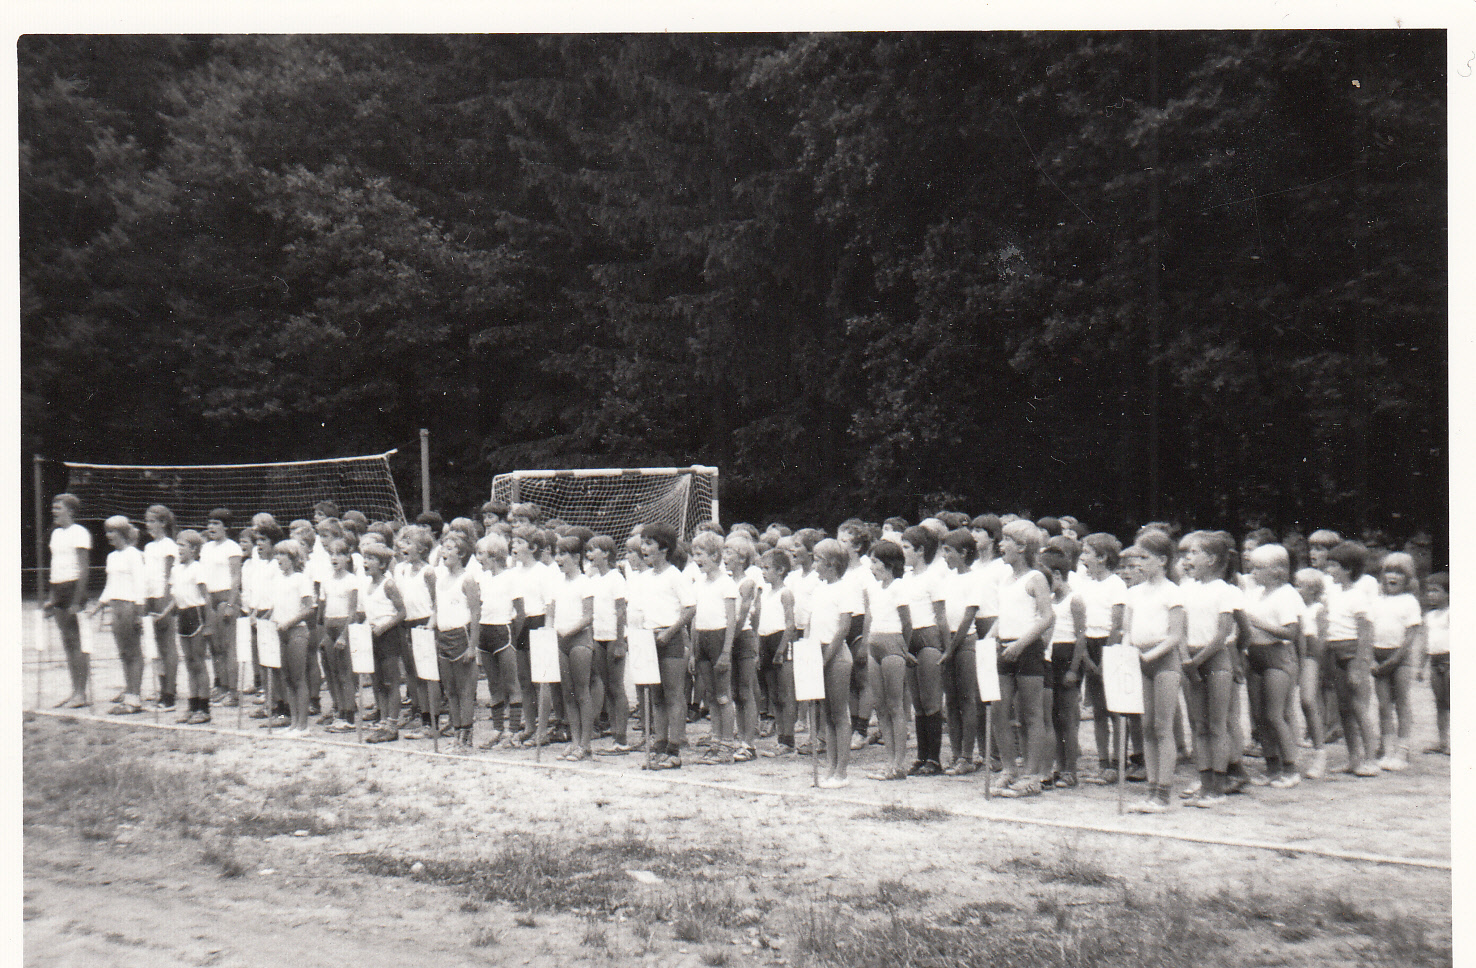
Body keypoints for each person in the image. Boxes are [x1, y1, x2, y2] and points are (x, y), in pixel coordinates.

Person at [1121, 533, 1187, 812]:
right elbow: (1127, 631)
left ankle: (1163, 793)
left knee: (1162, 727)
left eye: (1144, 558)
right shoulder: (1134, 593)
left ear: (1162, 560)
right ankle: (1151, 789)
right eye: (1137, 557)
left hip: (1164, 661)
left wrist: (1148, 655)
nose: (1138, 563)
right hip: (1140, 660)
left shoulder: (1172, 591)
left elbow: (1175, 635)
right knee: (1146, 727)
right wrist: (1128, 652)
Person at [1176, 531, 1241, 805]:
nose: (1187, 559)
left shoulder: (1224, 590)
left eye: (1194, 553)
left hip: (1214, 660)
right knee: (1199, 725)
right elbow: (1179, 629)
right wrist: (1185, 659)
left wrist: (1197, 661)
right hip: (1190, 660)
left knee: (1217, 725)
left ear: (1212, 559)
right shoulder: (1184, 589)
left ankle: (1217, 787)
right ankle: (1204, 783)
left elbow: (1222, 633)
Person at [992, 521, 1055, 798]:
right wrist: (991, 638)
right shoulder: (1005, 579)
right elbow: (1003, 616)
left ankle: (1032, 776)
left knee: (1031, 714)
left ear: (1021, 547)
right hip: (1004, 649)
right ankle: (1009, 769)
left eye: (1006, 539)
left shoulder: (1036, 577)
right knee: (999, 712)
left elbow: (1047, 617)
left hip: (1028, 650)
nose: (1000, 544)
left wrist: (1020, 644)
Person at [1239, 543, 1305, 788]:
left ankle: (1291, 768)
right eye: (1252, 567)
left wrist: (1258, 623)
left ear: (1277, 570)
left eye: (1258, 568)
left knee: (1275, 715)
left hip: (1278, 656)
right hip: (1255, 655)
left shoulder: (1287, 594)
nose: (1253, 572)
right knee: (1259, 716)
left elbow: (1291, 632)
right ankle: (1272, 767)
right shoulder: (1256, 593)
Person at [639, 523, 696, 770]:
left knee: (673, 694)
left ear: (664, 548)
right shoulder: (643, 578)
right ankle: (659, 746)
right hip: (648, 638)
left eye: (649, 543)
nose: (644, 548)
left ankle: (674, 750)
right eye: (643, 543)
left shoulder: (675, 576)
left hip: (670, 639)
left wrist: (670, 632)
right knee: (656, 696)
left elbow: (690, 608)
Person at [1322, 542, 1381, 776]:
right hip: (1335, 653)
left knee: (1359, 707)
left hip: (1352, 655)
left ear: (1348, 569)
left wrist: (1358, 665)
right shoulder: (1334, 594)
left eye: (1334, 566)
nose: (1329, 570)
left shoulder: (1358, 596)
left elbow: (1366, 633)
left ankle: (1371, 759)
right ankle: (1354, 758)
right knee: (1344, 709)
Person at [1075, 533, 1128, 784]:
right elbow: (1080, 623)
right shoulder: (1084, 585)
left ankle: (1118, 763)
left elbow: (1117, 625)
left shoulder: (1116, 584)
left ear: (1102, 557)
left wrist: (1107, 658)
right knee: (1098, 711)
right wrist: (1085, 656)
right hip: (1089, 645)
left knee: (1115, 710)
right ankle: (1102, 761)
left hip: (1110, 645)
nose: (1082, 557)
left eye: (1087, 552)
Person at [899, 525, 949, 776]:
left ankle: (934, 759)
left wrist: (947, 648)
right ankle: (921, 756)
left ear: (920, 550)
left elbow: (941, 616)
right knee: (917, 703)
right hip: (909, 639)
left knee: (931, 701)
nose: (903, 552)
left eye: (907, 547)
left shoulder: (932, 578)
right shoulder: (904, 579)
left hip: (928, 637)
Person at [809, 538, 860, 788]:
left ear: (831, 563)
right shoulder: (818, 589)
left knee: (839, 714)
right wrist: (809, 653)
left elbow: (843, 628)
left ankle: (842, 772)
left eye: (817, 560)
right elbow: (811, 624)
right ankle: (830, 767)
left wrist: (825, 657)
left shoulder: (845, 588)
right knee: (827, 715)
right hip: (817, 652)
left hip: (836, 654)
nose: (814, 564)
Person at [1368, 552, 1422, 771]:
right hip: (1378, 657)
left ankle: (1402, 750)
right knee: (1383, 705)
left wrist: (1395, 660)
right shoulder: (1376, 601)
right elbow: (1368, 631)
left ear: (1408, 578)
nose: (1393, 576)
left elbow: (1411, 635)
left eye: (1399, 573)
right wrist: (1371, 659)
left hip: (1400, 658)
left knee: (1401, 702)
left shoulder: (1410, 601)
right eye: (1389, 571)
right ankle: (1387, 749)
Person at [689, 531, 739, 763]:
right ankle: (715, 742)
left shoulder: (726, 583)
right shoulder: (699, 583)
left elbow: (731, 621)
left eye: (700, 554)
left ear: (714, 555)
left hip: (719, 638)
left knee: (722, 696)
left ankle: (727, 745)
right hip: (702, 638)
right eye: (694, 554)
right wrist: (693, 651)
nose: (696, 559)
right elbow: (695, 619)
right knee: (710, 695)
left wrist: (726, 652)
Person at [864, 540, 912, 780]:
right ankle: (889, 760)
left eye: (875, 562)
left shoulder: (899, 587)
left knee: (895, 705)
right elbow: (870, 618)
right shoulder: (873, 589)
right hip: (874, 645)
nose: (871, 567)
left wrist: (904, 648)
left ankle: (899, 764)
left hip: (893, 644)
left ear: (888, 563)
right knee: (881, 706)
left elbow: (907, 622)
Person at [547, 534, 597, 760]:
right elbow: (550, 612)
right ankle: (574, 741)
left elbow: (588, 616)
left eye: (563, 554)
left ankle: (585, 744)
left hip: (579, 641)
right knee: (567, 693)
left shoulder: (585, 582)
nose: (558, 559)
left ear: (576, 557)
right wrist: (549, 631)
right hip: (560, 641)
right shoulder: (556, 582)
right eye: (557, 554)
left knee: (582, 692)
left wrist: (568, 631)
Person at [92, 516, 147, 714]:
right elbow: (110, 586)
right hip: (115, 608)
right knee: (124, 653)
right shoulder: (112, 557)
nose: (108, 535)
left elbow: (140, 584)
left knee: (133, 652)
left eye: (112, 531)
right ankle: (129, 692)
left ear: (123, 533)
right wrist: (98, 606)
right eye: (107, 531)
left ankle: (134, 699)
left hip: (129, 607)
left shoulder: (134, 555)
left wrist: (139, 613)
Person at [1040, 548, 1085, 789]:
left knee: (1067, 717)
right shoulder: (1048, 600)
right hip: (1051, 657)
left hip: (1068, 657)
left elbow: (1081, 637)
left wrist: (1074, 670)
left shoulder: (1074, 599)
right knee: (1054, 717)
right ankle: (1059, 765)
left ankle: (1071, 770)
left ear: (1056, 575)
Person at [938, 529, 982, 775]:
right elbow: (942, 615)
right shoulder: (947, 579)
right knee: (951, 700)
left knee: (967, 698)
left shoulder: (975, 579)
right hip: (948, 642)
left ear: (964, 553)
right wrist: (946, 645)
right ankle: (956, 754)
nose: (944, 556)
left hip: (965, 642)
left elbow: (968, 617)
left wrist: (952, 647)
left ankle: (967, 756)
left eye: (948, 551)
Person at [432, 531, 482, 751]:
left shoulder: (467, 579)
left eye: (450, 548)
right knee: (450, 690)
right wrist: (430, 628)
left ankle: (466, 736)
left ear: (461, 554)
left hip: (461, 637)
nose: (444, 552)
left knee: (465, 691)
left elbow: (476, 613)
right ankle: (456, 733)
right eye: (443, 547)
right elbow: (437, 609)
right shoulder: (440, 580)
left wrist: (472, 646)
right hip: (443, 637)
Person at [474, 532, 523, 749]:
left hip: (504, 632)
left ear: (494, 555)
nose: (478, 558)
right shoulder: (482, 578)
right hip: (484, 633)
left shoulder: (511, 577)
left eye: (481, 554)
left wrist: (514, 638)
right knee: (493, 684)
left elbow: (520, 612)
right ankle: (497, 729)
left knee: (511, 683)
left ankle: (513, 732)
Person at [585, 535, 633, 753]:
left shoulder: (616, 578)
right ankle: (615, 734)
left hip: (614, 637)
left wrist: (620, 642)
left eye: (593, 550)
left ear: (606, 553)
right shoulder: (594, 579)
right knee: (606, 686)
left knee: (616, 686)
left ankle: (621, 738)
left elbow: (621, 611)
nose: (589, 554)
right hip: (599, 637)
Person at [44, 493, 92, 707]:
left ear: (71, 511)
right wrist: (51, 597)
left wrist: (77, 600)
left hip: (73, 588)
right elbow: (55, 566)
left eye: (58, 507)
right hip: (58, 587)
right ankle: (74, 692)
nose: (54, 511)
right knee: (67, 641)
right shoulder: (56, 534)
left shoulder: (79, 532)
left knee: (76, 641)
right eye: (53, 507)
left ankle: (81, 693)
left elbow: (83, 568)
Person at [394, 527, 438, 739]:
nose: (403, 546)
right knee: (414, 675)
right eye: (403, 542)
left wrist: (430, 625)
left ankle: (433, 722)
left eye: (409, 542)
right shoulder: (401, 570)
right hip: (407, 624)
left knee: (428, 675)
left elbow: (437, 601)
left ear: (421, 549)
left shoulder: (428, 572)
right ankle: (422, 717)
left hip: (424, 624)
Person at [754, 548, 799, 756]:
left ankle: (788, 740)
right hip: (765, 641)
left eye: (767, 568)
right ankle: (781, 737)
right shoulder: (764, 593)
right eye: (762, 568)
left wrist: (781, 650)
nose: (763, 572)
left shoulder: (785, 593)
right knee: (774, 695)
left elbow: (790, 624)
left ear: (780, 570)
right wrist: (758, 650)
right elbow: (759, 624)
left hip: (780, 641)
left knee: (786, 693)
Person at [269, 539, 316, 734]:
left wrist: (290, 622)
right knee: (287, 678)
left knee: (298, 678)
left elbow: (309, 609)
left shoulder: (301, 579)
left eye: (283, 555)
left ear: (293, 558)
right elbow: (276, 607)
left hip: (297, 631)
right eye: (277, 554)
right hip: (281, 632)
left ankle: (303, 726)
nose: (278, 559)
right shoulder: (277, 579)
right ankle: (293, 723)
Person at [199, 508, 245, 709]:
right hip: (209, 597)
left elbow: (235, 577)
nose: (211, 527)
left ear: (226, 527)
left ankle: (234, 692)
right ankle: (222, 686)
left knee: (228, 646)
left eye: (216, 523)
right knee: (215, 647)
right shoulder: (206, 548)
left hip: (225, 597)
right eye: (209, 523)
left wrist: (231, 604)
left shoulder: (232, 547)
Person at [723, 533, 763, 762]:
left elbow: (743, 615)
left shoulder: (747, 583)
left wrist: (729, 641)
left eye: (729, 552)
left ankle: (749, 743)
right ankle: (741, 738)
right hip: (729, 638)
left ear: (742, 558)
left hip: (742, 637)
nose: (724, 556)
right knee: (736, 692)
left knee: (746, 690)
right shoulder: (726, 580)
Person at [362, 544, 406, 744]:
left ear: (382, 564)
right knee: (377, 681)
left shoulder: (388, 585)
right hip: (372, 635)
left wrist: (384, 627)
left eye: (371, 558)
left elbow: (402, 612)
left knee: (391, 681)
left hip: (388, 636)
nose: (366, 562)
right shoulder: (367, 585)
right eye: (365, 558)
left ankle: (392, 724)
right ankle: (382, 721)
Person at [317, 539, 362, 733]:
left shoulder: (351, 580)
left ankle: (349, 716)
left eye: (339, 554)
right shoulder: (326, 580)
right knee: (333, 673)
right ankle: (340, 711)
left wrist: (344, 635)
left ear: (347, 557)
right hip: (330, 627)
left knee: (345, 673)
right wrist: (324, 634)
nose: (334, 558)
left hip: (344, 626)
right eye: (332, 554)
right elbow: (323, 611)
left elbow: (352, 612)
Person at [1293, 567, 1330, 779]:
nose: (1296, 589)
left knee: (1308, 701)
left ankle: (1320, 753)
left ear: (1314, 590)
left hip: (1309, 656)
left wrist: (1317, 661)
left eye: (1301, 586)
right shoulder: (1293, 606)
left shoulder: (1318, 609)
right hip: (1292, 654)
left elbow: (1321, 638)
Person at [142, 505, 180, 712]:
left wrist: (166, 603)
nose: (148, 525)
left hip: (163, 597)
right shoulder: (149, 547)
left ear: (163, 523)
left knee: (167, 645)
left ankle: (169, 694)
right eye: (147, 521)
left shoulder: (169, 545)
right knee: (155, 645)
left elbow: (168, 576)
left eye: (152, 521)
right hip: (149, 596)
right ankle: (163, 687)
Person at [1419, 572, 1449, 755]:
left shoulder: (1452, 613)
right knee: (1440, 703)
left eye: (1436, 591)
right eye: (1429, 591)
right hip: (1434, 662)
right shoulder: (1429, 616)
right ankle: (1443, 741)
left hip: (1450, 660)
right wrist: (1421, 666)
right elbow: (1426, 643)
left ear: (1448, 593)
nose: (1431, 595)